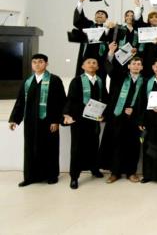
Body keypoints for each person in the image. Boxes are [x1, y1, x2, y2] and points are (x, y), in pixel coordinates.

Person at [8, 53, 66, 187]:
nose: (37, 64)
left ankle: (51, 175)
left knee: (50, 148)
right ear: (32, 65)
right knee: (30, 148)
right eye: (34, 62)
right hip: (31, 122)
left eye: (40, 62)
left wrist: (56, 120)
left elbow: (61, 102)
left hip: (48, 121)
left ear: (46, 64)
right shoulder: (27, 82)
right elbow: (20, 102)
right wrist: (14, 120)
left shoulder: (55, 80)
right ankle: (30, 177)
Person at [63, 57, 109, 189]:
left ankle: (94, 169)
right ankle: (74, 177)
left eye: (94, 62)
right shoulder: (77, 81)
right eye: (88, 62)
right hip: (79, 120)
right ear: (82, 66)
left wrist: (103, 115)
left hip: (94, 120)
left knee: (93, 145)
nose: (92, 64)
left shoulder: (100, 81)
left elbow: (105, 99)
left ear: (98, 67)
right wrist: (67, 114)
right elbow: (71, 99)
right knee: (77, 148)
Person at [99, 52, 145, 184]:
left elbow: (147, 101)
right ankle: (115, 172)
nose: (136, 66)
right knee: (116, 144)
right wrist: (110, 54)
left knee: (133, 145)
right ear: (128, 66)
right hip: (117, 117)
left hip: (134, 119)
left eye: (139, 64)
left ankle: (131, 172)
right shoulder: (119, 77)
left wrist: (134, 110)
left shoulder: (146, 81)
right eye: (133, 64)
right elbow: (109, 68)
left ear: (142, 67)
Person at [72, 0, 114, 79]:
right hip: (87, 57)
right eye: (97, 13)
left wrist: (111, 28)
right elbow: (79, 20)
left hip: (101, 61)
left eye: (102, 14)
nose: (99, 15)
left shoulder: (109, 29)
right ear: (94, 17)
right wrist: (80, 2)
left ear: (106, 19)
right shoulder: (88, 25)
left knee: (100, 81)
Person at [133, 0, 157, 79]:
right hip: (145, 59)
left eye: (156, 17)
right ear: (148, 20)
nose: (154, 19)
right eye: (151, 17)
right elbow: (138, 21)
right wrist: (138, 6)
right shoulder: (144, 28)